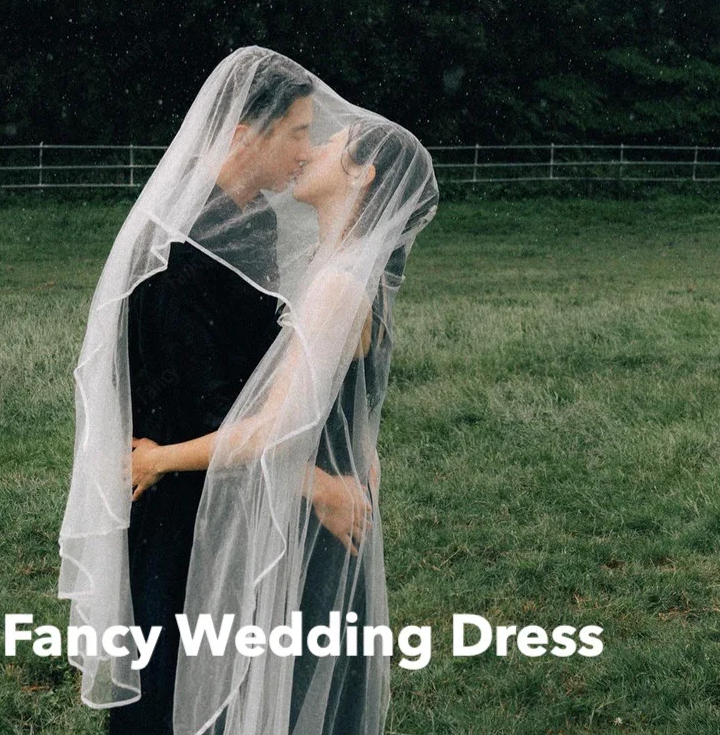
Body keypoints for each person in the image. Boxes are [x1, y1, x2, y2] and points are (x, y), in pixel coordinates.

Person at [59, 48, 437, 735]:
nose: (309, 148)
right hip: (183, 506)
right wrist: (315, 476)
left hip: (256, 486)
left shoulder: (273, 238)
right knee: (171, 674)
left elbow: (279, 402)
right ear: (244, 136)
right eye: (299, 132)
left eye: (319, 138)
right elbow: (215, 397)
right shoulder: (178, 250)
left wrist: (321, 476)